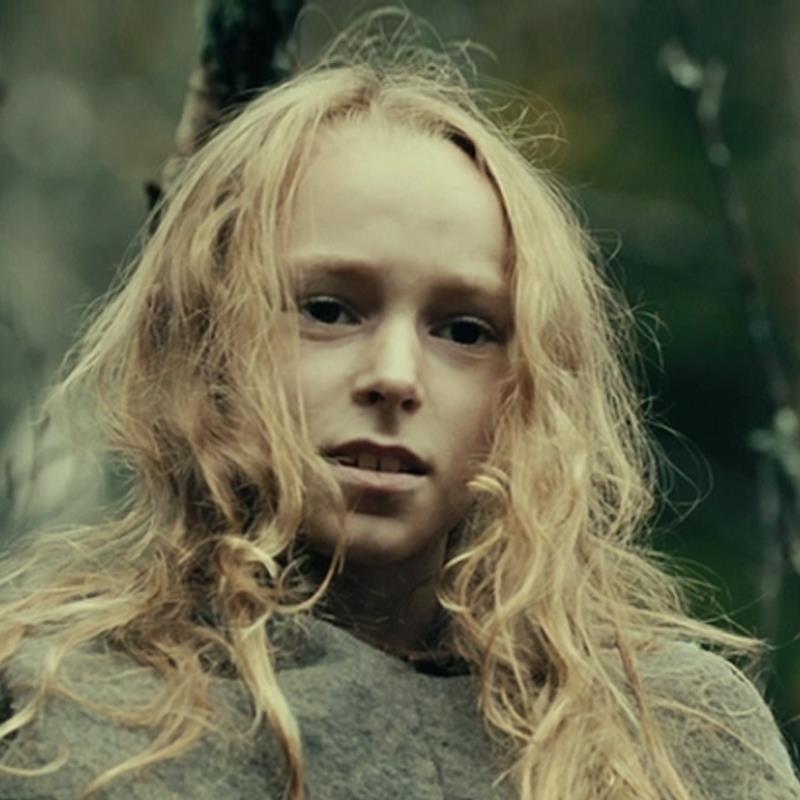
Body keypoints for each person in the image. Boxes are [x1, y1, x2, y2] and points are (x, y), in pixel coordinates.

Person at [1, 13, 798, 800]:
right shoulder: (57, 709)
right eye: (327, 310)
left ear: (531, 384)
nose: (393, 376)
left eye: (464, 330)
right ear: (207, 338)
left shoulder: (674, 736)